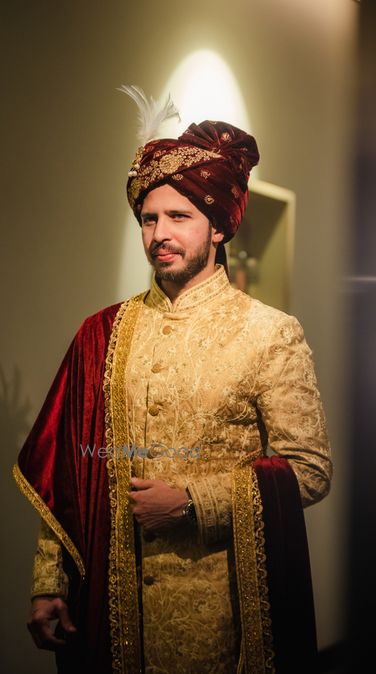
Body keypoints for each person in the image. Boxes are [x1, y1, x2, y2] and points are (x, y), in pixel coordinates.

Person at [14, 87, 332, 674]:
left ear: (218, 228)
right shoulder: (100, 332)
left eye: (178, 217)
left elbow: (309, 469)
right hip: (111, 612)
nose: (159, 232)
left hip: (222, 620)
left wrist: (191, 503)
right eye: (148, 218)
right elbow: (68, 473)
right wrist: (48, 582)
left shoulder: (269, 333)